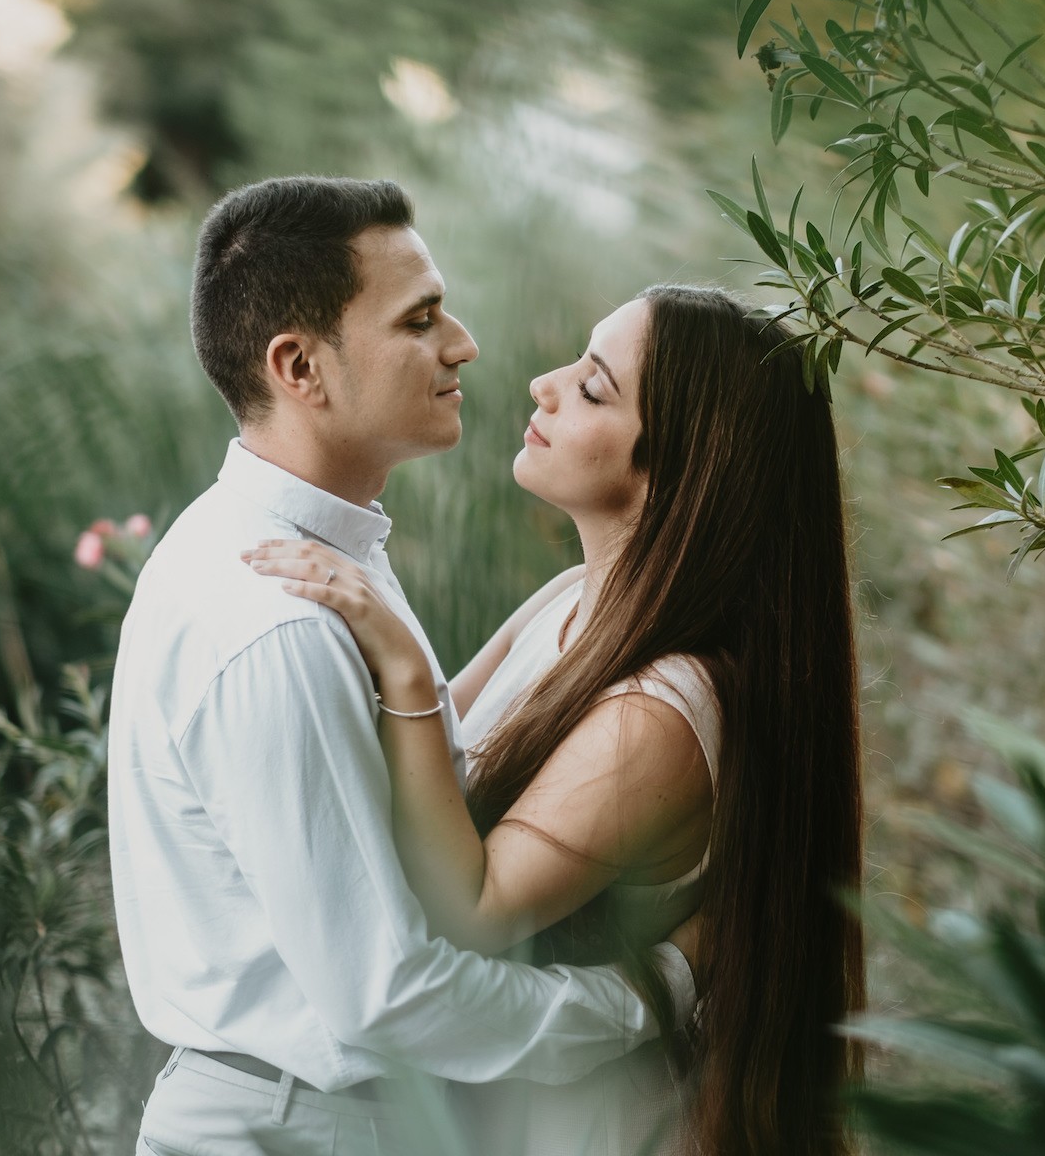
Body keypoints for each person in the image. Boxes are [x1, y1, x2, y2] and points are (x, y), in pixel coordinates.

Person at [108, 176, 699, 1156]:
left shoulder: (316, 560)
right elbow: (389, 998)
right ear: (300, 367)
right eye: (419, 321)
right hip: (297, 1130)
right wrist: (658, 992)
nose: (463, 345)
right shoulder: (283, 622)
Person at [247, 284, 864, 1155]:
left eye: (593, 389)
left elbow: (472, 906)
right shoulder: (570, 602)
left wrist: (404, 665)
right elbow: (415, 774)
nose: (545, 384)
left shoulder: (660, 710)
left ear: (682, 470)